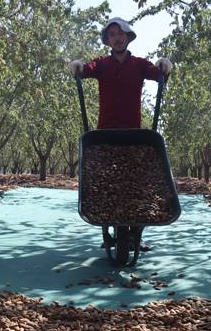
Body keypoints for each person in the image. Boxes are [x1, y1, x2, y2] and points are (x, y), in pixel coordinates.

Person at [68, 17, 173, 252]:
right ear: (108, 40)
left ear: (128, 37)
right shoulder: (102, 64)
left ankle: (137, 233)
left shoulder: (138, 64)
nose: (117, 38)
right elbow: (86, 70)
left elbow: (158, 74)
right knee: (106, 185)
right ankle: (107, 228)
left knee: (137, 185)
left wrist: (164, 65)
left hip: (133, 134)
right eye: (112, 34)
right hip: (105, 134)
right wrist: (78, 66)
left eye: (121, 34)